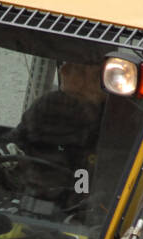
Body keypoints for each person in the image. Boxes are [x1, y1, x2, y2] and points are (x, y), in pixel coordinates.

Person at [12, 50, 108, 204]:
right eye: (65, 64)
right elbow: (17, 140)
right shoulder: (48, 105)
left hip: (83, 206)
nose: (63, 70)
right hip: (32, 193)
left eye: (75, 69)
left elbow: (116, 177)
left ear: (98, 79)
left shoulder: (118, 121)